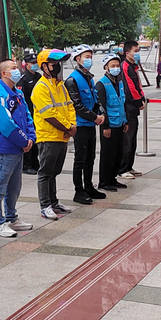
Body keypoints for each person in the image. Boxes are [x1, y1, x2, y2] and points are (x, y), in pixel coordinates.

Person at [0, 59, 35, 238]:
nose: (17, 71)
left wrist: (31, 138)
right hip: (5, 148)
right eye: (13, 68)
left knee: (14, 187)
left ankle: (11, 217)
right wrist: (23, 141)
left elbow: (27, 116)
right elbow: (6, 124)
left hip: (18, 148)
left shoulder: (18, 93)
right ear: (4, 73)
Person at [31, 49, 75, 220]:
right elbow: (49, 114)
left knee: (54, 171)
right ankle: (45, 206)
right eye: (53, 64)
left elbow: (69, 106)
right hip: (48, 136)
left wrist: (72, 125)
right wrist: (68, 127)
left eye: (58, 64)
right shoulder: (41, 87)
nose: (57, 67)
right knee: (45, 173)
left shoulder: (60, 85)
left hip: (62, 135)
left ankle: (54, 202)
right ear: (44, 66)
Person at [64, 47, 105, 205]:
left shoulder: (89, 78)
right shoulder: (72, 80)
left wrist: (100, 113)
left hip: (90, 124)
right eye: (86, 57)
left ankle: (89, 186)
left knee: (90, 157)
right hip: (80, 125)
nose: (89, 60)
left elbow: (95, 100)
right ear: (77, 59)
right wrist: (95, 117)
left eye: (90, 57)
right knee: (80, 159)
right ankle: (79, 190)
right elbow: (77, 105)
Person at [95, 55, 130, 193]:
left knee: (118, 153)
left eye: (117, 65)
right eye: (113, 66)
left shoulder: (119, 82)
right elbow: (101, 107)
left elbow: (122, 103)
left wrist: (125, 121)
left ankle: (112, 178)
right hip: (109, 125)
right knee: (107, 154)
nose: (116, 68)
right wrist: (105, 126)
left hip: (120, 123)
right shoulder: (101, 84)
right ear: (106, 67)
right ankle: (104, 181)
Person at [118, 41, 148, 178]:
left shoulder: (133, 66)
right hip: (127, 108)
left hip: (133, 109)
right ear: (127, 53)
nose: (137, 54)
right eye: (135, 51)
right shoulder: (124, 66)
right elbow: (129, 87)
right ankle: (122, 169)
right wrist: (138, 101)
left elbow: (138, 85)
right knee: (127, 139)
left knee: (133, 140)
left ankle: (129, 166)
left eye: (138, 51)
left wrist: (142, 98)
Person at [16, 51, 41, 176]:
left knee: (36, 139)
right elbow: (21, 99)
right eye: (32, 63)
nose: (35, 65)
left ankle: (35, 163)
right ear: (26, 64)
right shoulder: (23, 79)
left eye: (36, 62)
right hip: (28, 113)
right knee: (28, 139)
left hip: (38, 113)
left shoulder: (39, 77)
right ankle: (26, 165)